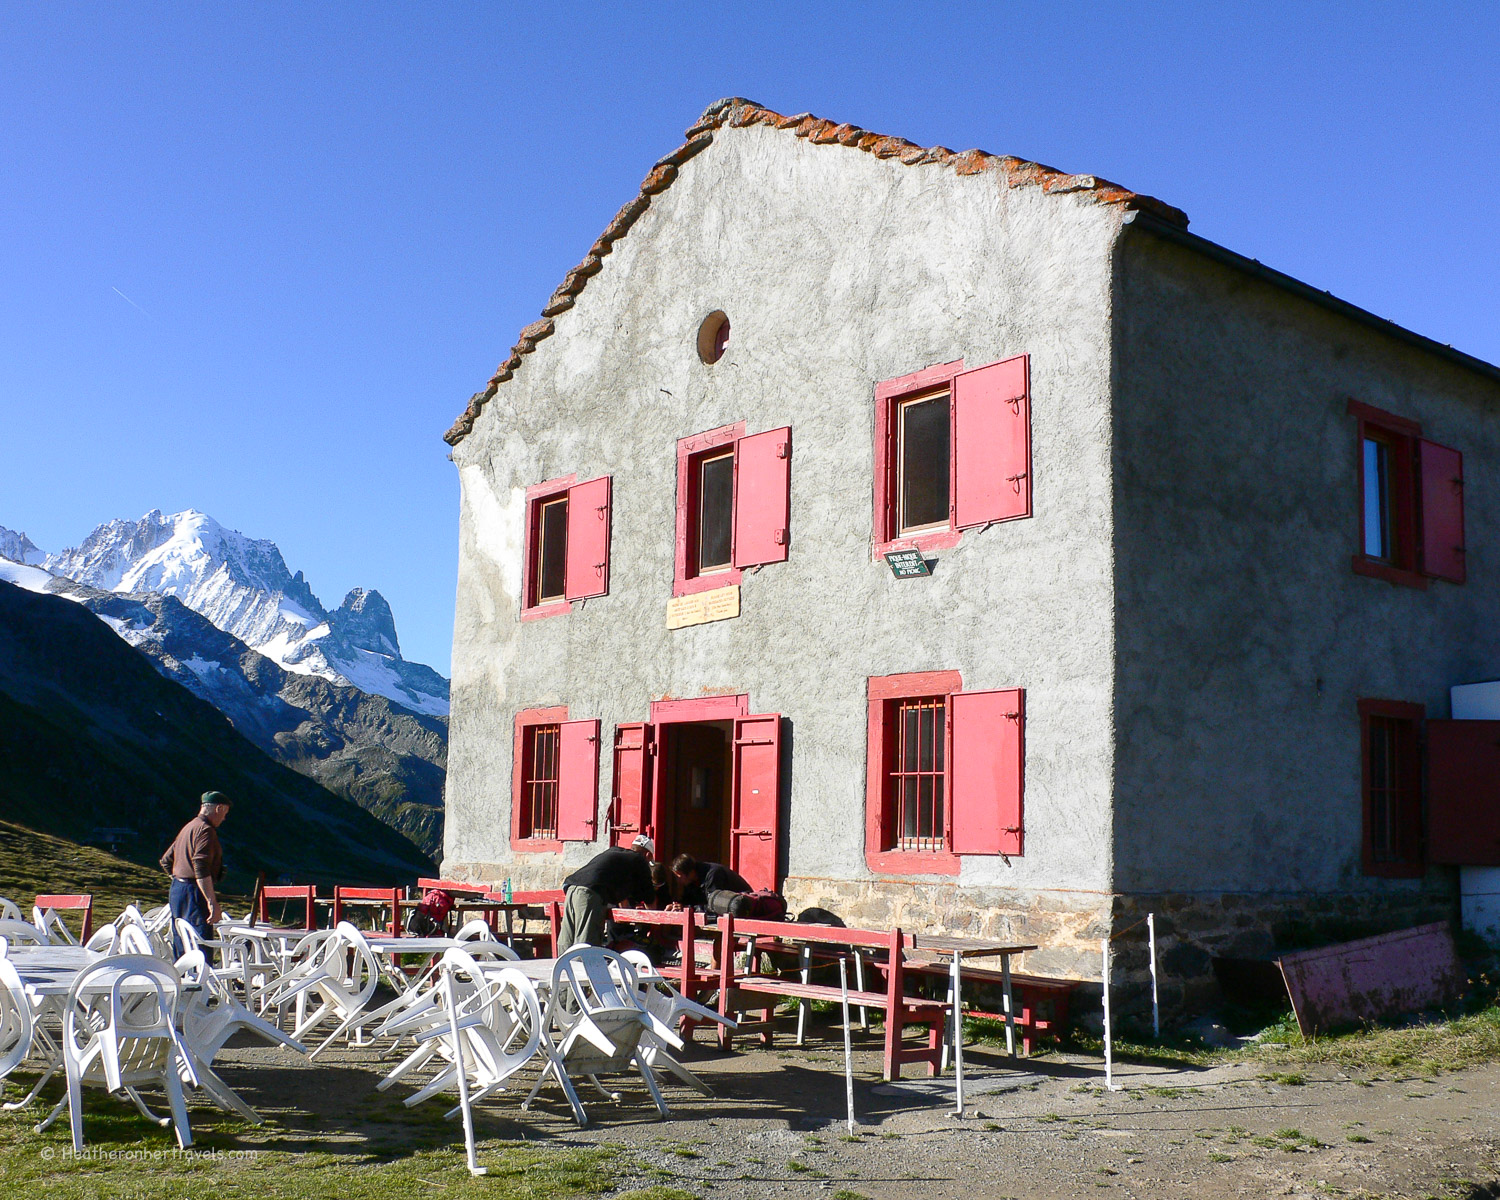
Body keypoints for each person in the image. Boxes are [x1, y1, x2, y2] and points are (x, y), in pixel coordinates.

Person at [159, 791, 232, 958]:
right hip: (194, 892)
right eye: (225, 813)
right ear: (218, 808)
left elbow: (166, 860)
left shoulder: (189, 827)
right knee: (199, 942)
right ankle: (199, 983)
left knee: (181, 939)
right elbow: (201, 867)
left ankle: (182, 979)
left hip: (178, 890)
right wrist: (211, 901)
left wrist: (179, 877)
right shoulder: (205, 830)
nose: (224, 819)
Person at [557, 834, 655, 950]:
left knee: (567, 938)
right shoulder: (640, 860)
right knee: (586, 941)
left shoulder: (615, 852)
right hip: (590, 893)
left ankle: (562, 966)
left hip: (572, 888)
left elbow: (621, 894)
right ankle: (583, 967)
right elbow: (649, 898)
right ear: (648, 855)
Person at [668, 853, 752, 916]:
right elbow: (689, 901)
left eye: (679, 876)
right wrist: (677, 906)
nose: (678, 881)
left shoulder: (714, 874)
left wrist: (689, 909)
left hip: (742, 909)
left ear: (690, 872)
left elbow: (715, 905)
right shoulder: (691, 882)